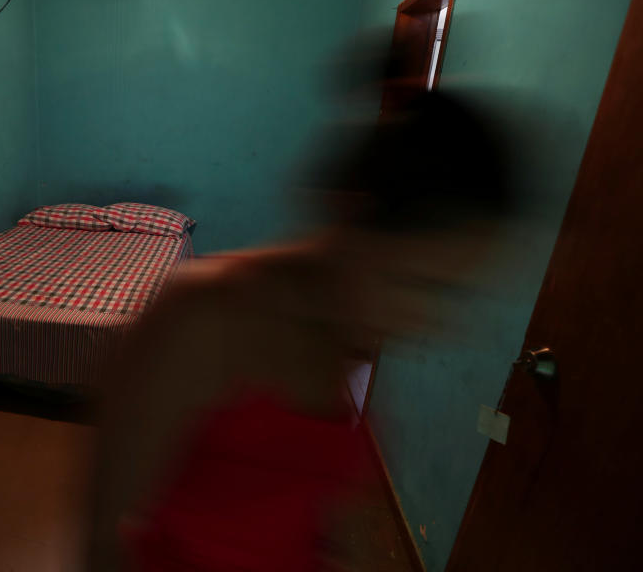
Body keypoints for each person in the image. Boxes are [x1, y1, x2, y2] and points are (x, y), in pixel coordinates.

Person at [84, 62, 514, 571]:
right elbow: (101, 526)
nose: (429, 322)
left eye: (454, 294)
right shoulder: (207, 313)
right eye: (420, 285)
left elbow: (304, 513)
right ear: (355, 218)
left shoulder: (342, 337)